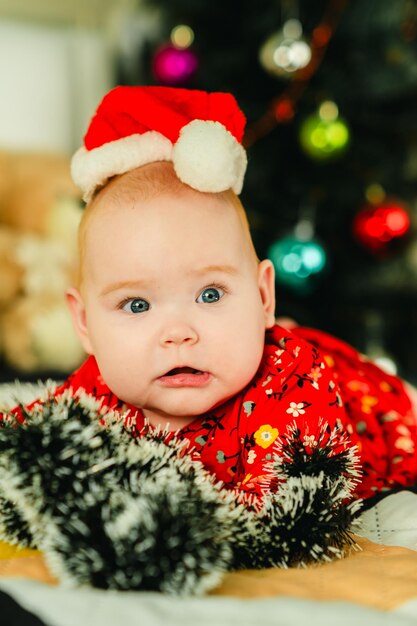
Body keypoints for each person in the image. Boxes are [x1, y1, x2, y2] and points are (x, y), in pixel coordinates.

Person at [9, 85, 417, 503]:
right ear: (85, 324)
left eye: (210, 295)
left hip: (370, 405)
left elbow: (288, 512)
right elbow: (25, 445)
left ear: (263, 297)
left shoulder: (292, 388)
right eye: (137, 305)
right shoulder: (95, 389)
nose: (179, 332)